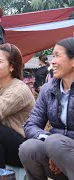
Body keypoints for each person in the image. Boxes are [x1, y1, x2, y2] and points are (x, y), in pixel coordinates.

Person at [19, 37, 74, 180]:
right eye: (52, 56)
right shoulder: (48, 89)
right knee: (28, 148)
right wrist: (52, 148)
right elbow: (31, 125)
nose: (52, 61)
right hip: (57, 153)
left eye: (57, 56)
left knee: (55, 142)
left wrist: (58, 147)